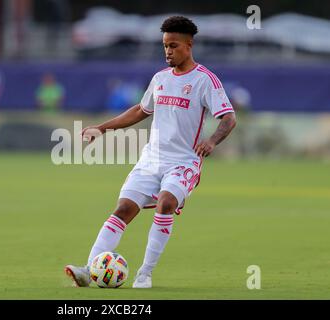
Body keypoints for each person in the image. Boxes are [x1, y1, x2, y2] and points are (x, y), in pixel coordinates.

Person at [65, 16, 237, 288]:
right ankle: (88, 269)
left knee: (166, 202)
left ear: (189, 45)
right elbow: (140, 111)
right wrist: (102, 128)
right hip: (151, 160)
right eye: (165, 46)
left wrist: (213, 141)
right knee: (123, 209)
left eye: (173, 45)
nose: (168, 51)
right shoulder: (160, 78)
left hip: (183, 162)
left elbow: (228, 118)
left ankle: (145, 273)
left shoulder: (206, 81)